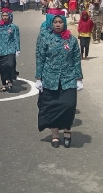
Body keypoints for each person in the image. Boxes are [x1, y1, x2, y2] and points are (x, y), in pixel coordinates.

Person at [35, 14, 83, 148]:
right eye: (55, 22)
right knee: (51, 107)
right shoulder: (44, 38)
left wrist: (79, 78)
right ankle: (55, 134)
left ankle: (67, 130)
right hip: (49, 78)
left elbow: (76, 60)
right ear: (51, 23)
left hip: (68, 78)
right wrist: (39, 78)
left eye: (60, 22)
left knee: (69, 105)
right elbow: (40, 57)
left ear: (64, 24)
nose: (57, 24)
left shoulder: (72, 40)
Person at [0, 8, 20, 92]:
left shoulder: (14, 27)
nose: (5, 17)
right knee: (2, 68)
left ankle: (10, 79)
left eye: (6, 15)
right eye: (3, 15)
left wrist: (17, 49)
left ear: (10, 16)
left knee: (11, 65)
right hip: (0, 50)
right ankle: (4, 83)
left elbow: (16, 38)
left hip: (10, 49)